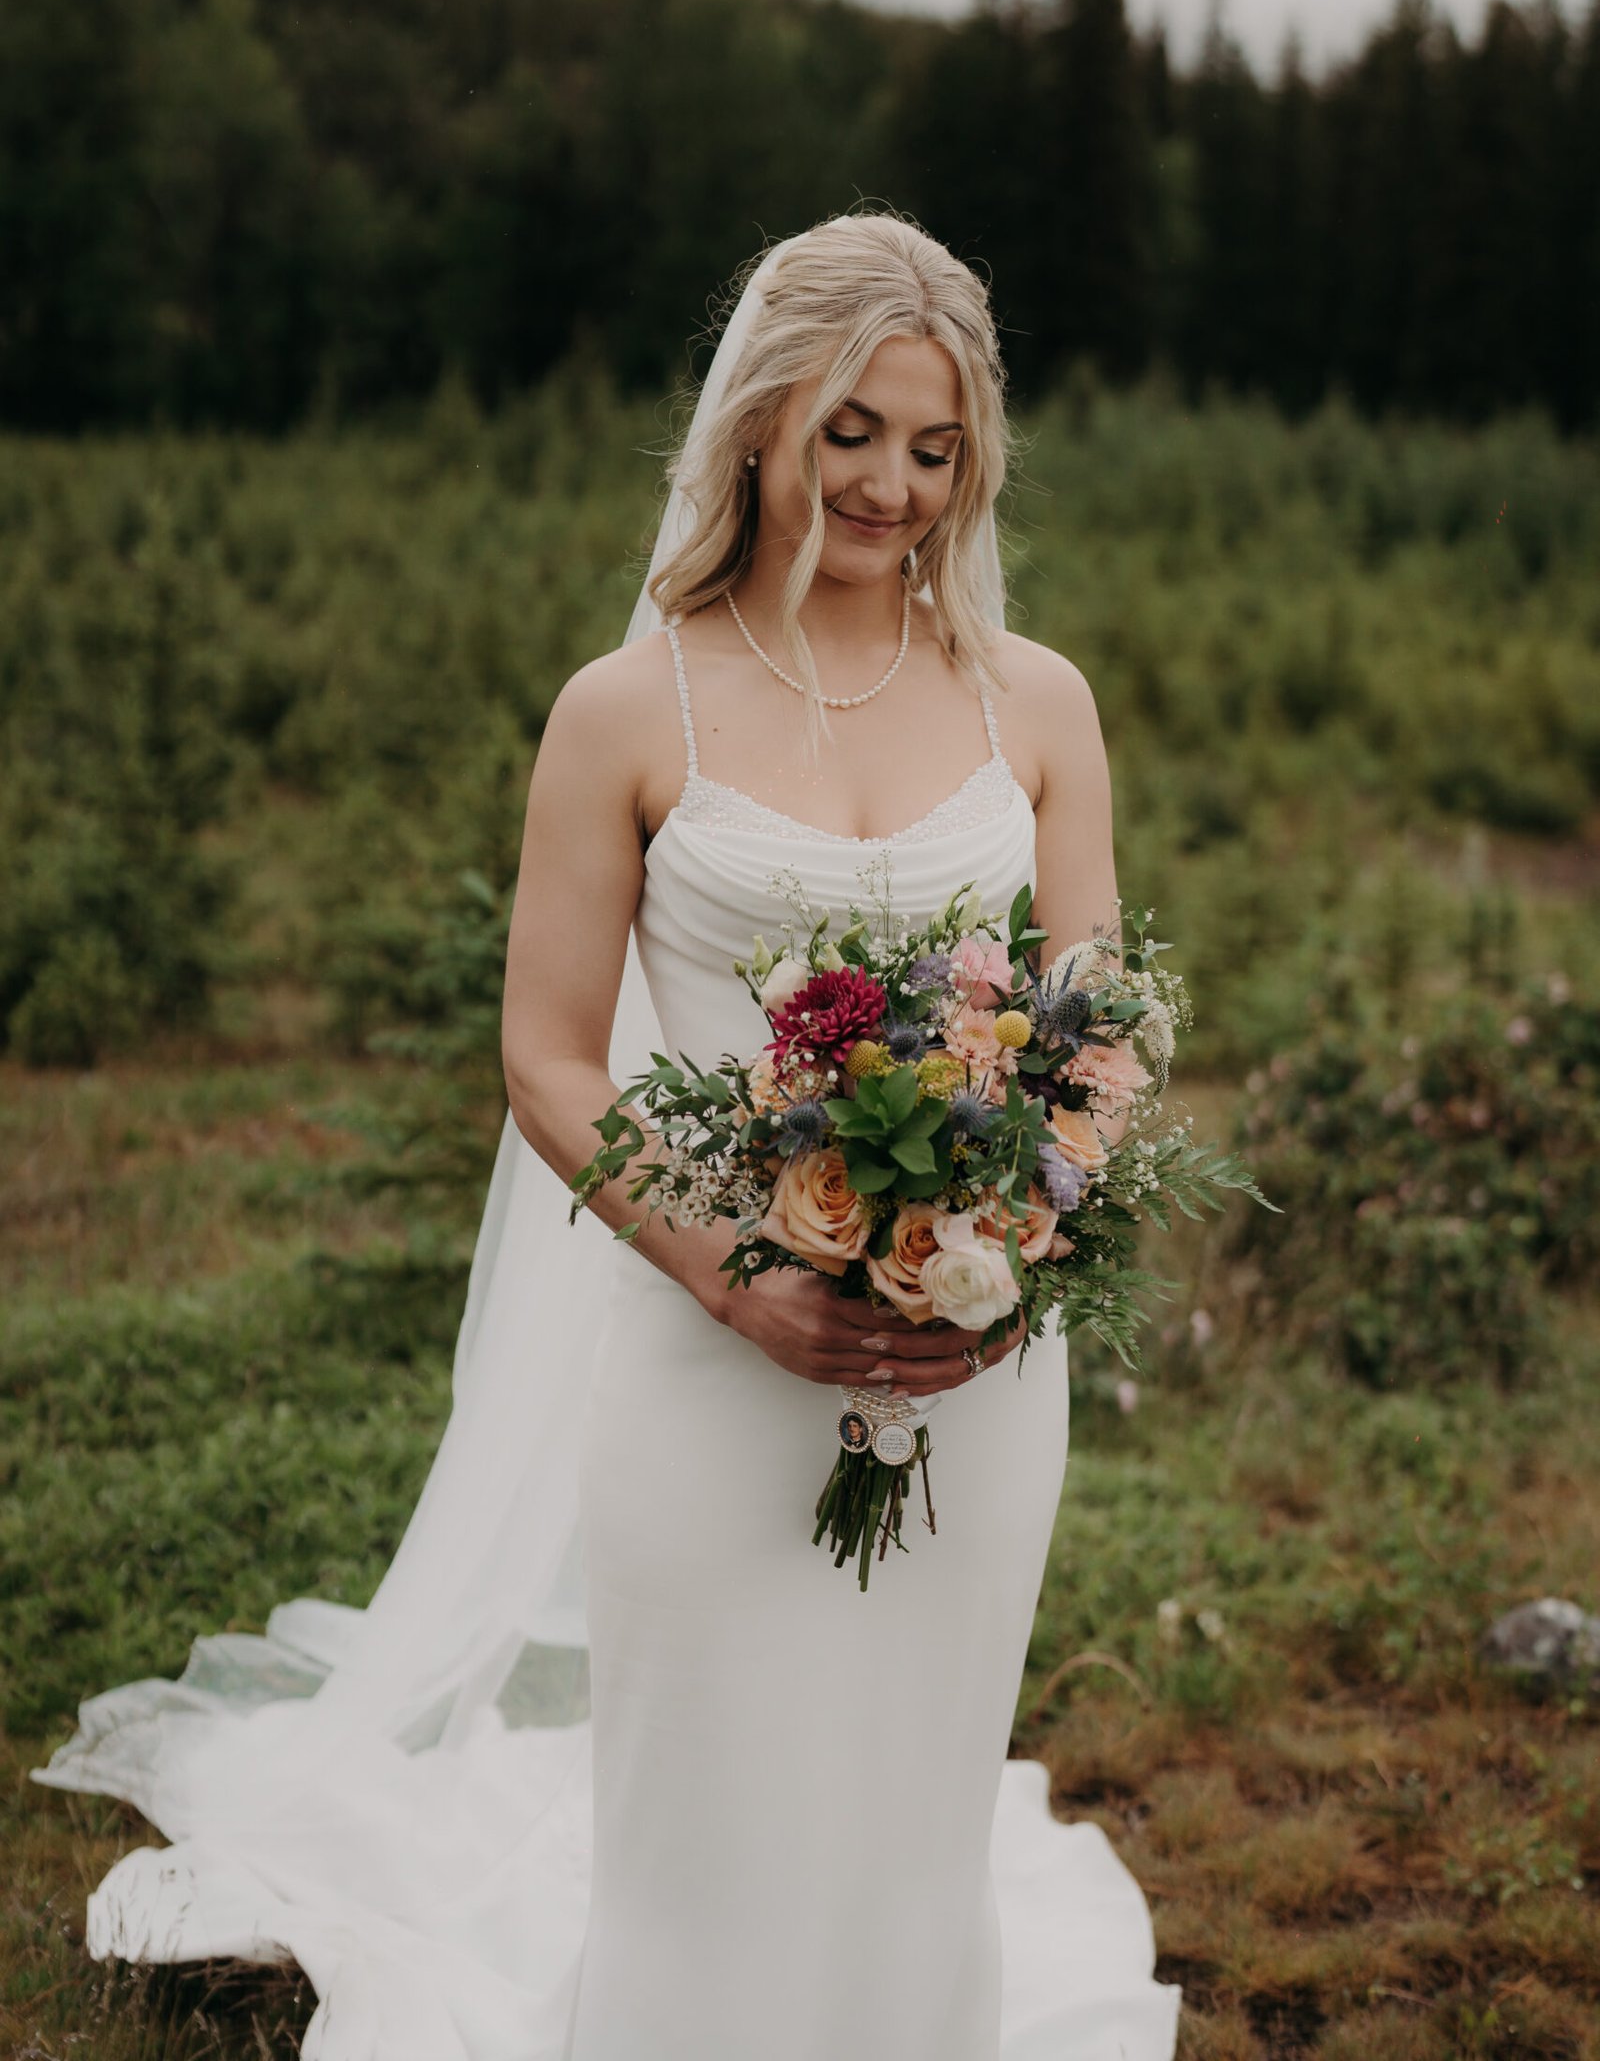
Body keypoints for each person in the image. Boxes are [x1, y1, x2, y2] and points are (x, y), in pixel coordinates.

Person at [34, 211, 1181, 2060]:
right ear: (760, 423)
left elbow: (1098, 1021)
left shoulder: (1033, 701)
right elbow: (549, 1057)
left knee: (908, 1796)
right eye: (853, 431)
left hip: (975, 1358)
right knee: (709, 1811)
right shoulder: (626, 709)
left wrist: (1024, 1235)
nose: (894, 485)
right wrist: (750, 1283)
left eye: (937, 445)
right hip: (703, 1341)